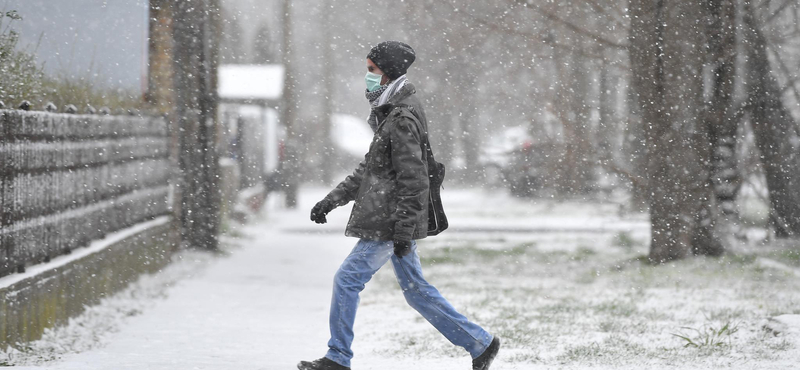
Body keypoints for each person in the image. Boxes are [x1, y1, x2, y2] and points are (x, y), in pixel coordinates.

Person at [298, 41, 500, 370]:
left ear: (389, 73)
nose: (368, 78)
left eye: (372, 71)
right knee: (415, 290)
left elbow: (414, 178)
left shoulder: (401, 117)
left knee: (347, 280)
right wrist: (330, 200)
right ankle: (480, 344)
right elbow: (371, 169)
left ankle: (337, 357)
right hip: (391, 216)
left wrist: (404, 230)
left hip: (390, 220)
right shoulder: (391, 112)